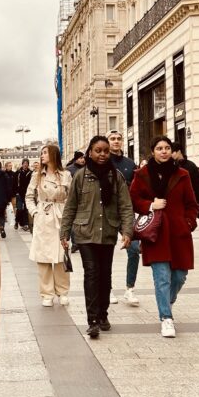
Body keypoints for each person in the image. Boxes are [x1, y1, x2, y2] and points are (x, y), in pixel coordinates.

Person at [60, 136, 133, 338]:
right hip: (84, 233)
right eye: (98, 150)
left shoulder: (115, 176)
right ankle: (92, 320)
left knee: (105, 275)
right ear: (90, 152)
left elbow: (126, 206)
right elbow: (71, 206)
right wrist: (64, 232)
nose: (102, 154)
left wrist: (127, 231)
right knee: (91, 273)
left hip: (107, 231)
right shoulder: (81, 176)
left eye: (106, 151)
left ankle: (103, 314)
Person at [130, 136, 198, 337]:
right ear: (153, 151)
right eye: (159, 148)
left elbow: (192, 204)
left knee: (180, 275)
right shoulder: (142, 174)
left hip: (179, 233)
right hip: (156, 233)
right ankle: (166, 318)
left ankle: (166, 302)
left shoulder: (183, 174)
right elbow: (133, 199)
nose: (164, 151)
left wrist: (188, 223)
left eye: (167, 148)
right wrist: (150, 205)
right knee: (162, 278)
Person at [26, 144, 72, 306]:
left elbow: (72, 198)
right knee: (43, 257)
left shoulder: (66, 175)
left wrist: (69, 216)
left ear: (54, 155)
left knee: (61, 255)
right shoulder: (36, 176)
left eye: (45, 153)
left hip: (60, 216)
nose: (42, 156)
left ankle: (63, 291)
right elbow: (29, 197)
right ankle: (47, 294)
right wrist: (35, 213)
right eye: (41, 153)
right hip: (43, 217)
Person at [107, 130, 140, 306]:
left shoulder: (129, 163)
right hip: (107, 212)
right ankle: (108, 289)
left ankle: (130, 288)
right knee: (106, 252)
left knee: (134, 249)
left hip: (127, 212)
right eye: (112, 139)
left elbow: (137, 187)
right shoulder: (103, 162)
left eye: (119, 139)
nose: (116, 141)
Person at [172, 145, 199, 219]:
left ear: (179, 152)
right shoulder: (171, 165)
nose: (170, 154)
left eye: (172, 152)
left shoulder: (190, 166)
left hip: (187, 204)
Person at [14, 158, 32, 231]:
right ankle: (16, 221)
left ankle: (25, 224)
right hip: (19, 193)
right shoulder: (18, 173)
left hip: (27, 193)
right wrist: (16, 192)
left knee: (26, 209)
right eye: (24, 163)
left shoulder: (30, 173)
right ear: (22, 164)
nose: (25, 164)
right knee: (19, 208)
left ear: (28, 164)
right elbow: (14, 183)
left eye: (27, 163)